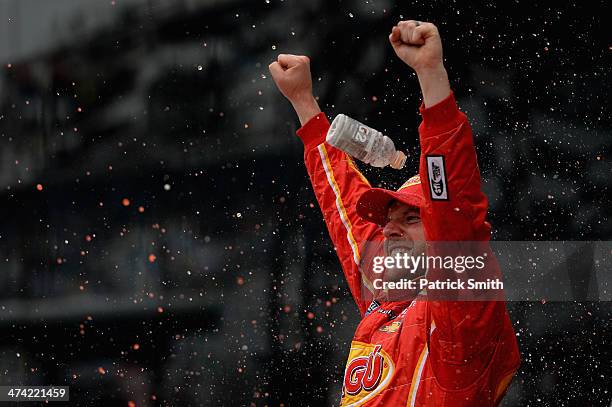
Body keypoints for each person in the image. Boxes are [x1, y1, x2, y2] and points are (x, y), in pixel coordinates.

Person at [269, 20, 520, 406]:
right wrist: (304, 103)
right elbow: (344, 209)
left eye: (411, 218)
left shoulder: (458, 314)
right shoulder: (383, 296)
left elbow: (452, 203)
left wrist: (431, 77)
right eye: (388, 220)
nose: (389, 231)